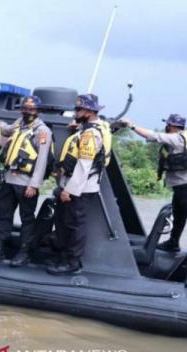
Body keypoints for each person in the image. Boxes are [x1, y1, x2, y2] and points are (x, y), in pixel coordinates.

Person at [0, 96, 53, 266]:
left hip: (26, 182)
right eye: (24, 108)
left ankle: (24, 252)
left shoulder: (42, 131)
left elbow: (42, 159)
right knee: (4, 215)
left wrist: (34, 185)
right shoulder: (20, 125)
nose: (27, 112)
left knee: (27, 218)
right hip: (9, 179)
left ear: (38, 111)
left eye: (31, 109)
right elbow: (6, 130)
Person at [47, 94, 110, 275]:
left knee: (74, 225)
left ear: (89, 112)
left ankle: (72, 262)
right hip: (76, 185)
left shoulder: (90, 134)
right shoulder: (90, 129)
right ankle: (63, 256)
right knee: (65, 222)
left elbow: (84, 164)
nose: (75, 112)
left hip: (80, 188)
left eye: (78, 110)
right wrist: (78, 127)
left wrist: (70, 190)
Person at [120, 114, 187, 252]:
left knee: (180, 215)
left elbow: (153, 136)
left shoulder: (176, 138)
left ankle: (173, 243)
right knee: (179, 214)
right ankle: (173, 243)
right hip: (181, 185)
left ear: (172, 126)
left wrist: (131, 126)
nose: (166, 127)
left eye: (168, 125)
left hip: (183, 186)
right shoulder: (183, 137)